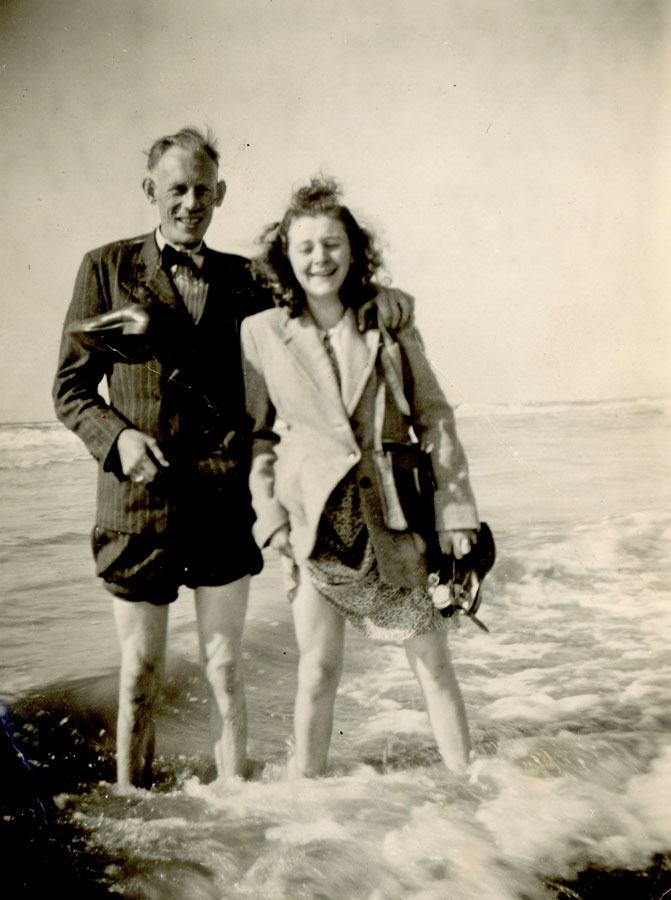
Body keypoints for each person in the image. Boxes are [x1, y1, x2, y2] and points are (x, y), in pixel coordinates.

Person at [52, 129, 413, 790]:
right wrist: (117, 438)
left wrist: (379, 300)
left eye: (201, 190)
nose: (190, 203)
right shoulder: (102, 268)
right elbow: (71, 390)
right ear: (150, 192)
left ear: (220, 193)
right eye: (176, 189)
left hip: (225, 504)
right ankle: (136, 811)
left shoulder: (249, 279)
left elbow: (319, 302)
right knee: (139, 674)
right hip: (137, 509)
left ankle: (235, 816)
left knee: (224, 668)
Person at [242, 177, 481, 777]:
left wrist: (455, 513)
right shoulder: (261, 332)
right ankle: (306, 798)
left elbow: (436, 418)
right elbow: (256, 438)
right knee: (317, 671)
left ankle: (468, 785)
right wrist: (269, 520)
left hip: (392, 519)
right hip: (314, 527)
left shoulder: (389, 321)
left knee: (432, 661)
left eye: (332, 244)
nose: (319, 258)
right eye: (306, 247)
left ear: (353, 250)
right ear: (285, 256)